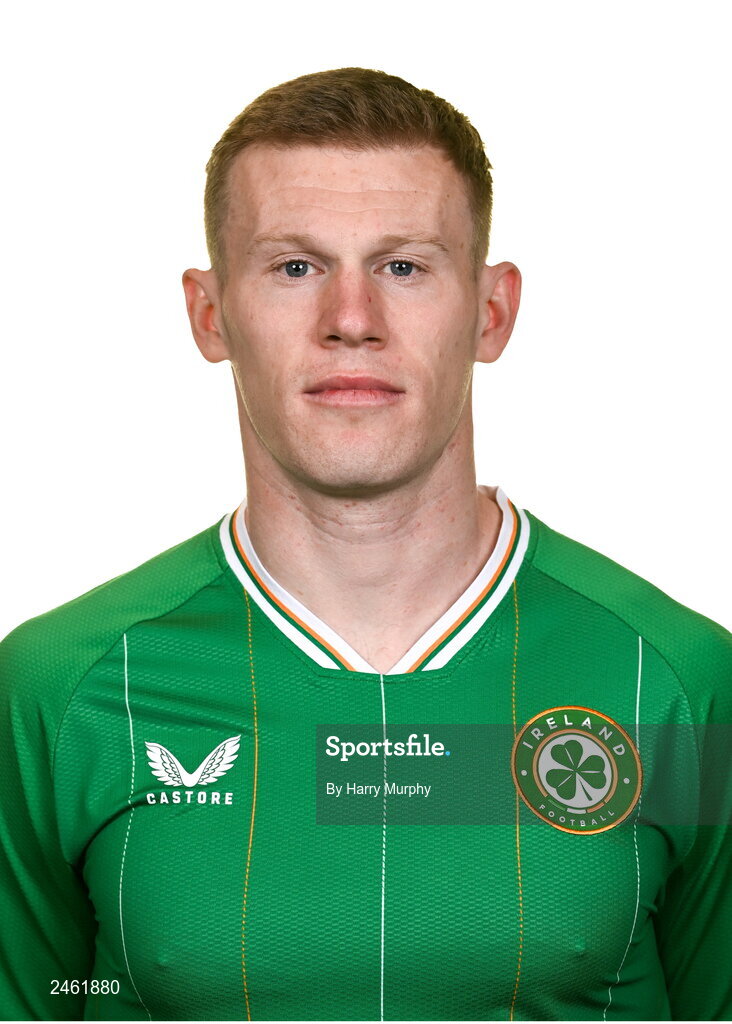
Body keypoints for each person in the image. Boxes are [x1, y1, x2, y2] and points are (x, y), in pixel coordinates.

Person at [0, 66, 729, 1023]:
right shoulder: (60, 690)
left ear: (491, 310)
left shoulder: (675, 682)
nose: (352, 320)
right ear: (209, 313)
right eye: (295, 267)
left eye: (405, 266)